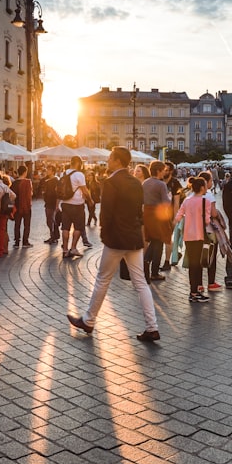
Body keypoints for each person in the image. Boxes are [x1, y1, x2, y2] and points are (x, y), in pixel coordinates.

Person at [66, 146, 159, 342]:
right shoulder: (135, 182)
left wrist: (104, 234)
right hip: (133, 237)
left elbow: (106, 213)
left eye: (110, 157)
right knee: (141, 282)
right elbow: (139, 211)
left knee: (102, 278)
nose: (108, 160)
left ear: (117, 161)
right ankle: (152, 327)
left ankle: (89, 321)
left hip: (116, 238)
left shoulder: (111, 182)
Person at [173, 176, 221, 302]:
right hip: (199, 235)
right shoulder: (205, 201)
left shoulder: (187, 200)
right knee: (197, 264)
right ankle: (196, 292)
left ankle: (193, 291)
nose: (206, 188)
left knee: (192, 264)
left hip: (188, 236)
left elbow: (178, 215)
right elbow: (206, 220)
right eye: (205, 186)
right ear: (201, 188)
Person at [142, 161, 172, 282]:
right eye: (164, 170)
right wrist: (170, 198)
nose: (165, 172)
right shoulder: (161, 184)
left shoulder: (145, 183)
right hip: (158, 214)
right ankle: (153, 271)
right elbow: (165, 202)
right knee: (158, 242)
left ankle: (146, 265)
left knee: (154, 241)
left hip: (147, 213)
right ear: (158, 171)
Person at [59, 156, 91, 259]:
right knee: (78, 226)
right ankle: (73, 248)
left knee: (65, 227)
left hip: (65, 203)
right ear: (78, 163)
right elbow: (85, 190)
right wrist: (90, 200)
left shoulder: (63, 174)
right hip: (77, 204)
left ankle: (64, 250)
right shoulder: (79, 174)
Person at [11, 166, 33, 247]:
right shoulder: (28, 182)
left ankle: (17, 242)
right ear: (25, 172)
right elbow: (30, 195)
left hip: (17, 206)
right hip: (27, 206)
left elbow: (11, 195)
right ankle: (25, 241)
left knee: (17, 224)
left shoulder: (14, 183)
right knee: (26, 225)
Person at [42, 165, 61, 244]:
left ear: (53, 171)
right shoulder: (47, 180)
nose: (47, 171)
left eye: (49, 170)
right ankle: (52, 235)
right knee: (49, 220)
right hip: (48, 203)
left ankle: (54, 236)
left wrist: (57, 205)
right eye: (47, 169)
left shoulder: (56, 180)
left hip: (53, 203)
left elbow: (58, 193)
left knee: (52, 220)